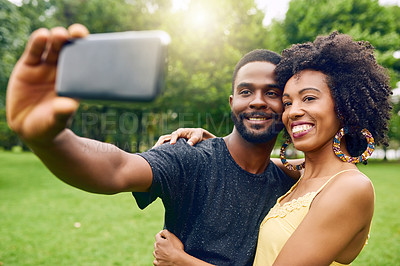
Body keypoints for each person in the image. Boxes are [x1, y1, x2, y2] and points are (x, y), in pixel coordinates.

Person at [6, 24, 299, 265]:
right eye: (246, 91)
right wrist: (50, 141)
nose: (258, 101)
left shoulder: (287, 181)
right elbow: (117, 167)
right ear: (233, 102)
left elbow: (338, 164)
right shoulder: (191, 156)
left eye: (271, 92)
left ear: (286, 104)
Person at [152, 32, 392, 265]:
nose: (293, 111)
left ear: (343, 107)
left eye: (308, 98)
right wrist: (215, 144)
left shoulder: (351, 187)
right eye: (287, 102)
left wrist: (179, 261)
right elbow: (248, 164)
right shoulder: (304, 174)